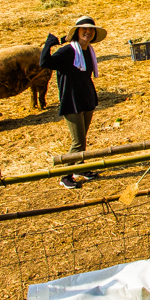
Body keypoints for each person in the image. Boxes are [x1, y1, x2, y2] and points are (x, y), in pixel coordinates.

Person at [40, 16, 107, 190]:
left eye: (91, 30)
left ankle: (79, 168)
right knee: (77, 142)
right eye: (84, 29)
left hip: (86, 98)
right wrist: (49, 44)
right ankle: (65, 175)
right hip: (72, 101)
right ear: (77, 32)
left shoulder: (88, 51)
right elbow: (45, 62)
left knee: (82, 139)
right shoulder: (68, 51)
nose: (88, 32)